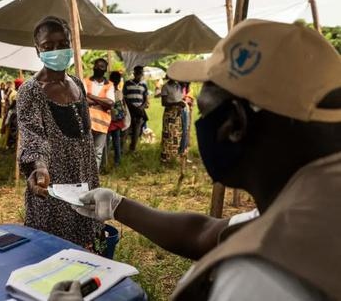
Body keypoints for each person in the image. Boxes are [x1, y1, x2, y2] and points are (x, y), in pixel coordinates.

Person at [59, 20, 341, 300]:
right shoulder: (311, 203)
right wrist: (118, 205)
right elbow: (206, 233)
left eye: (206, 111)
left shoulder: (260, 278)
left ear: (234, 125)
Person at [17, 16, 103, 248]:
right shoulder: (31, 91)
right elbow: (33, 135)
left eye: (62, 44)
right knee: (53, 246)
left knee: (85, 239)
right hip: (55, 182)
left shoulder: (77, 83)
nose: (57, 50)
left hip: (84, 174)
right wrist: (40, 168)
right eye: (48, 46)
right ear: (38, 50)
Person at [83, 59, 114, 170]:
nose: (98, 68)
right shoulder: (85, 81)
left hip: (102, 124)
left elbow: (110, 103)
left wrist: (92, 96)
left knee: (97, 152)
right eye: (96, 66)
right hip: (87, 123)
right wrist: (102, 101)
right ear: (93, 67)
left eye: (101, 67)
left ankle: (94, 178)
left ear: (105, 69)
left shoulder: (109, 85)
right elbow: (83, 100)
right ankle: (85, 176)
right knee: (86, 151)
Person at [123, 65, 148, 152]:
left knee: (137, 130)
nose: (139, 75)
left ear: (142, 74)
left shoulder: (144, 85)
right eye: (137, 73)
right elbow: (124, 98)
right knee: (127, 129)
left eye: (140, 74)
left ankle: (132, 149)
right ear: (134, 74)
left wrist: (141, 107)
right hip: (129, 110)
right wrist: (132, 107)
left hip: (139, 111)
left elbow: (146, 99)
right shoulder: (127, 83)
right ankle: (122, 148)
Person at [160, 76, 184, 162]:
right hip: (169, 114)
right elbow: (164, 103)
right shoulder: (165, 87)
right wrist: (177, 103)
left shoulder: (178, 86)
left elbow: (180, 98)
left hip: (177, 113)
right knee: (168, 135)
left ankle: (174, 156)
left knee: (176, 135)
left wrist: (181, 105)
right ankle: (165, 158)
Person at [108, 71, 128, 166]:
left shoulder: (107, 91)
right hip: (117, 119)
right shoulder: (119, 93)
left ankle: (105, 161)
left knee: (107, 141)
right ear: (119, 80)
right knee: (117, 140)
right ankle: (117, 161)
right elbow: (123, 106)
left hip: (108, 118)